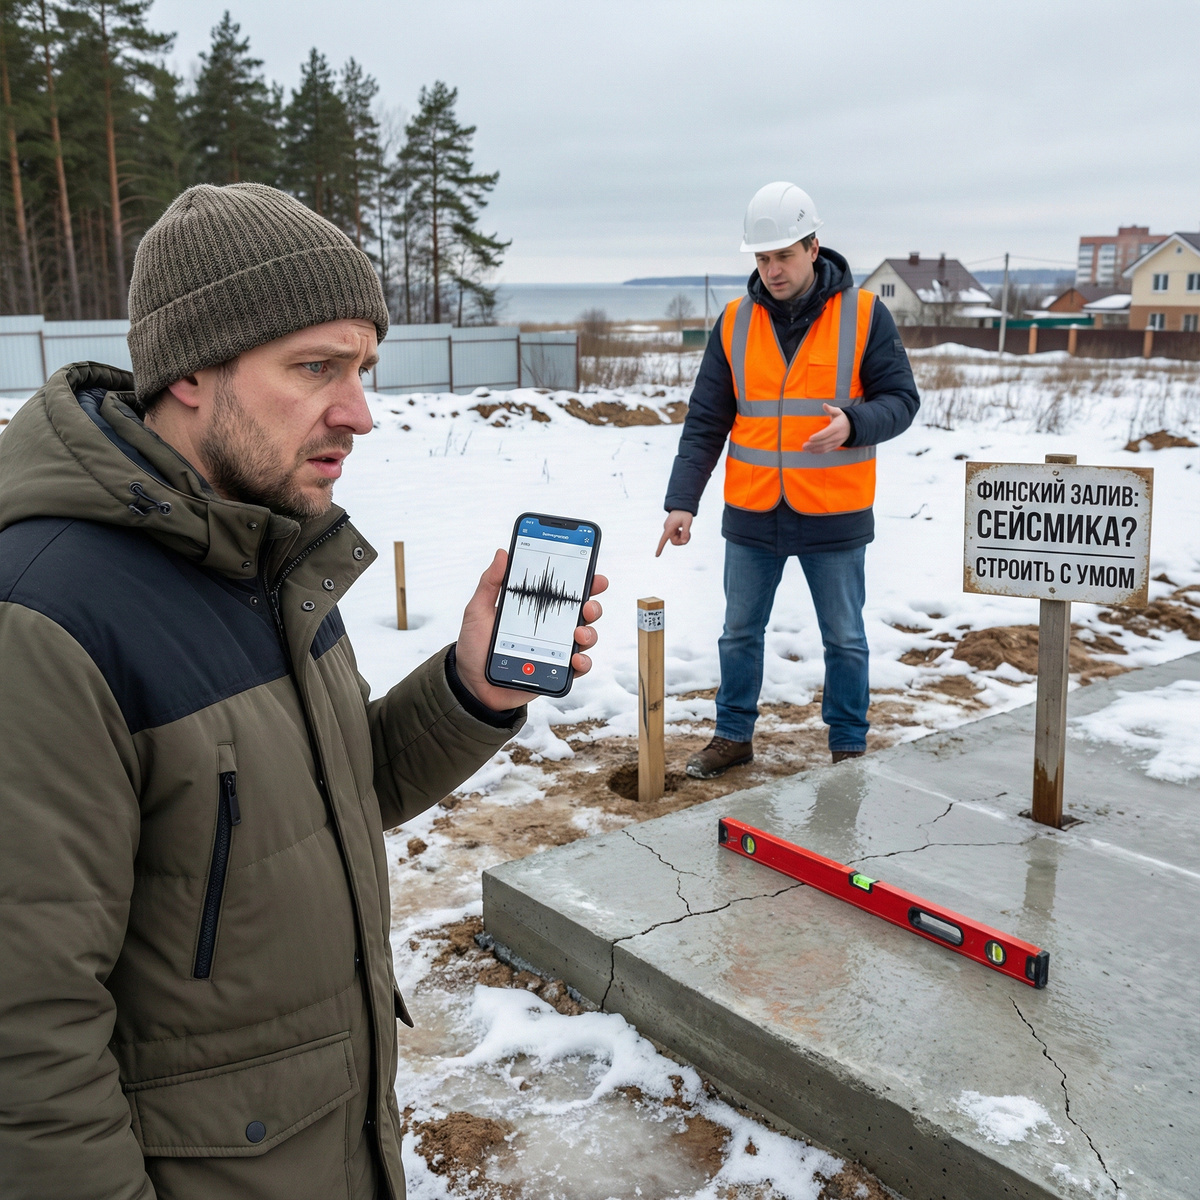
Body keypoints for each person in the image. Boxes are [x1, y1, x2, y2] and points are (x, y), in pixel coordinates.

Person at [0, 183, 605, 1200]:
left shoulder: (263, 546)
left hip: (327, 1148)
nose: (359, 414)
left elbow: (324, 792)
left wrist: (471, 687)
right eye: (315, 367)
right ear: (190, 369)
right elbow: (25, 1043)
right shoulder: (47, 620)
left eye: (363, 368)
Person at [658, 181, 918, 777]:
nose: (771, 270)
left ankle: (849, 745)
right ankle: (732, 736)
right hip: (752, 510)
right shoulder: (733, 322)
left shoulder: (864, 315)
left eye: (783, 255)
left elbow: (902, 400)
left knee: (845, 638)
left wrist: (855, 423)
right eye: (761, 258)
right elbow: (706, 421)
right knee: (738, 632)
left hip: (834, 511)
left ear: (813, 247)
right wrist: (681, 501)